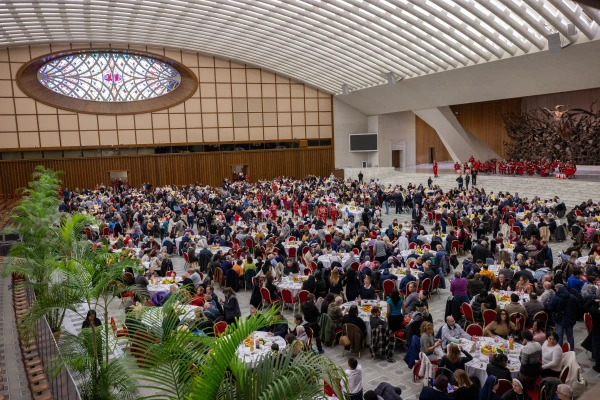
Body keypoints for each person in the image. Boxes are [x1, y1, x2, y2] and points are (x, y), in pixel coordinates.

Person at [547, 284, 577, 350]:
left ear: (557, 289)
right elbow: (576, 307)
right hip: (570, 319)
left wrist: (548, 303)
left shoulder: (555, 297)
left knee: (559, 336)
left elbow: (551, 308)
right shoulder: (572, 297)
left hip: (559, 319)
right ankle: (571, 350)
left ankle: (559, 350)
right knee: (570, 336)